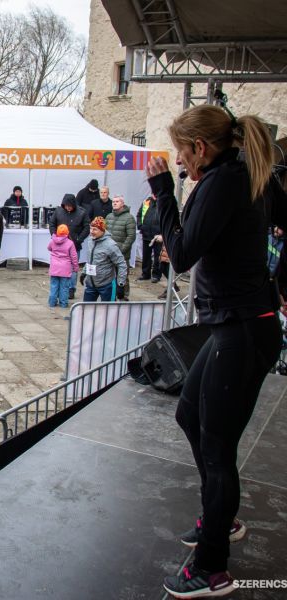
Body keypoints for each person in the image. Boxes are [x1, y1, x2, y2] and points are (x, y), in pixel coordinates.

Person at [146, 105, 286, 598]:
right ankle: (219, 518)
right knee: (189, 414)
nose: (180, 163)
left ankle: (212, 568)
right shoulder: (244, 173)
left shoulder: (224, 181)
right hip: (236, 326)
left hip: (243, 330)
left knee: (217, 448)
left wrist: (164, 193)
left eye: (182, 153)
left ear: (200, 148)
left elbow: (182, 254)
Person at [49, 193, 90, 299]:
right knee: (58, 267)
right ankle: (59, 289)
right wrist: (54, 237)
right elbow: (52, 224)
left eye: (70, 205)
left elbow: (87, 227)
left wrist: (79, 239)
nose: (68, 207)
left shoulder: (82, 212)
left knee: (73, 267)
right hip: (59, 245)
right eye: (66, 205)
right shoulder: (58, 211)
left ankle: (71, 289)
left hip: (74, 245)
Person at [79, 216, 127, 302]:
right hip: (91, 284)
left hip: (106, 285)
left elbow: (121, 264)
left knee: (108, 312)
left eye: (95, 229)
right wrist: (84, 272)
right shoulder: (90, 240)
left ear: (102, 230)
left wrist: (121, 284)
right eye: (91, 229)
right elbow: (90, 259)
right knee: (86, 310)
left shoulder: (110, 245)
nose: (91, 232)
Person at [105, 195, 137, 301]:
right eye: (113, 201)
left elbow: (131, 236)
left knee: (122, 275)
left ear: (122, 203)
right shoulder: (109, 216)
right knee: (109, 274)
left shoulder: (129, 218)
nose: (114, 203)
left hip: (122, 253)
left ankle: (124, 296)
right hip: (109, 252)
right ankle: (111, 294)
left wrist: (122, 249)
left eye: (117, 201)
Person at [47, 224, 79, 309]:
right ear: (67, 233)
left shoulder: (52, 241)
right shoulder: (70, 243)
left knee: (54, 286)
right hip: (65, 269)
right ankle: (63, 304)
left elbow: (49, 248)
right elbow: (74, 256)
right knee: (64, 287)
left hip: (54, 267)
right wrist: (75, 268)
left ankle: (52, 303)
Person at [136, 195, 161, 283]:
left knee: (158, 256)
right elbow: (139, 215)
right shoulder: (146, 202)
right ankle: (145, 274)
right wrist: (140, 226)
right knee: (146, 255)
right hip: (146, 233)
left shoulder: (163, 202)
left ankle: (156, 275)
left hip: (158, 235)